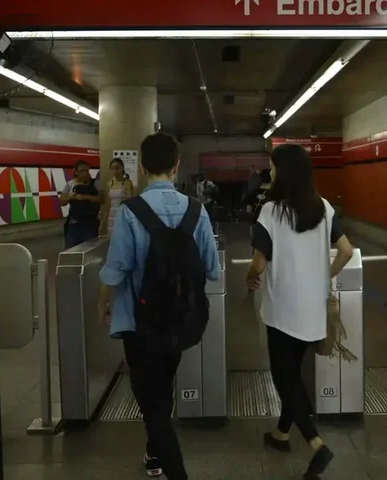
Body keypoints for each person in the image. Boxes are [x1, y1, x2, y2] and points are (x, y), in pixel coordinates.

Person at [98, 133, 220, 480]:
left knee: (148, 395)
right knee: (161, 385)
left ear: (142, 165)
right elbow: (212, 268)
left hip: (139, 319)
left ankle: (173, 468)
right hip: (180, 319)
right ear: (177, 166)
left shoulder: (130, 211)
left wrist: (102, 302)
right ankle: (155, 452)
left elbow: (117, 267)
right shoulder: (197, 210)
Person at [245, 144, 354, 478]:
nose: (271, 173)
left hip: (282, 311)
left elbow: (260, 260)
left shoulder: (271, 211)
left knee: (285, 379)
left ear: (285, 172)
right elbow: (347, 251)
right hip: (313, 309)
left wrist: (250, 276)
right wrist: (323, 275)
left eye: (274, 168)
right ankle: (280, 434)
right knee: (292, 373)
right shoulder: (323, 208)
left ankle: (316, 444)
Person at [60, 160, 104, 248]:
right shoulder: (70, 184)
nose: (84, 173)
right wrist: (70, 197)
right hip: (73, 224)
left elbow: (102, 199)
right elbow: (62, 202)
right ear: (75, 172)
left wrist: (86, 197)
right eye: (81, 171)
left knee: (88, 250)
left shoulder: (96, 183)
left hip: (90, 224)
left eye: (86, 170)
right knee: (71, 250)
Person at [100, 158, 134, 236]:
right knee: (111, 239)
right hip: (112, 215)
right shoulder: (109, 184)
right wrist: (103, 220)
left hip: (122, 214)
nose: (116, 171)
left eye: (118, 168)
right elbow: (108, 205)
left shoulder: (127, 182)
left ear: (122, 168)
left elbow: (130, 202)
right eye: (113, 168)